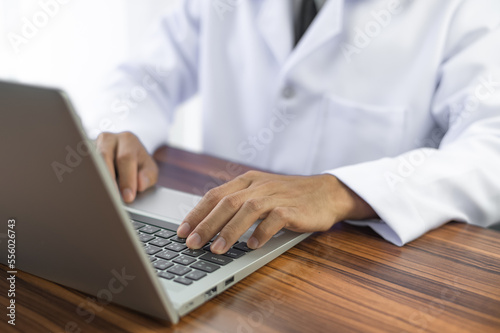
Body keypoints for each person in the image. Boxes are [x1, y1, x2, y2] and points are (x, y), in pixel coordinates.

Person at [90, 0, 500, 254]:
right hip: (215, 236)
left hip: (353, 265)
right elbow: (147, 75)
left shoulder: (467, 9)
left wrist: (341, 190)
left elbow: (489, 151)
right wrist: (124, 130)